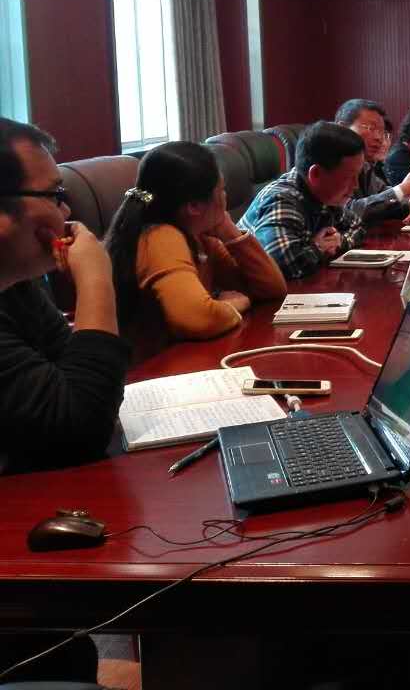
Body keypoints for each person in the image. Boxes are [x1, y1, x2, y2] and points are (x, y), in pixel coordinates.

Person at [0, 118, 129, 477]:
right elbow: (82, 429)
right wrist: (95, 279)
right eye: (54, 195)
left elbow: (81, 383)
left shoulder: (15, 285)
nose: (67, 211)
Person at [103, 142, 287, 345]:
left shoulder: (201, 236)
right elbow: (198, 319)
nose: (225, 197)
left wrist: (230, 232)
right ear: (194, 206)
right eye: (221, 189)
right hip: (153, 362)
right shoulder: (160, 238)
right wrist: (233, 305)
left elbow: (271, 289)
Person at [238, 121, 367, 279]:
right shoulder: (282, 200)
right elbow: (282, 264)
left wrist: (340, 241)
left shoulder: (324, 196)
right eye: (349, 177)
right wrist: (319, 248)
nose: (356, 185)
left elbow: (357, 226)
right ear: (316, 174)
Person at [334, 99, 410, 225]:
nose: (378, 138)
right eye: (371, 128)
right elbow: (346, 212)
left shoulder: (364, 165)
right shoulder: (329, 161)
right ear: (342, 128)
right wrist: (403, 190)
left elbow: (382, 195)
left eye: (381, 131)